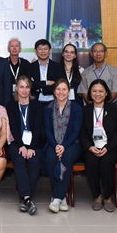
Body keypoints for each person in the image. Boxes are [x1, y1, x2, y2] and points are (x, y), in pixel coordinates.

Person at [79, 79, 117, 212]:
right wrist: (90, 147)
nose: (97, 94)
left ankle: (107, 196)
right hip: (92, 146)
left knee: (106, 162)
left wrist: (107, 148)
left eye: (101, 91)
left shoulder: (114, 109)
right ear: (90, 93)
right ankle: (97, 195)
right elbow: (82, 133)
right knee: (91, 163)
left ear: (106, 93)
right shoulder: (85, 110)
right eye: (94, 91)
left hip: (111, 146)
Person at [43, 78, 83, 213]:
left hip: (72, 144)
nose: (61, 92)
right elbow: (48, 131)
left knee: (66, 157)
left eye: (64, 89)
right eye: (58, 89)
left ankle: (56, 197)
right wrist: (56, 145)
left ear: (69, 91)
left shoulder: (76, 108)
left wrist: (63, 146)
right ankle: (62, 197)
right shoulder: (48, 108)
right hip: (53, 143)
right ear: (54, 92)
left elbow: (76, 132)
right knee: (51, 158)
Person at [6, 76, 44, 215]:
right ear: (16, 88)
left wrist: (32, 147)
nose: (24, 90)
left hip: (34, 142)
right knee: (19, 159)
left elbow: (38, 128)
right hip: (16, 142)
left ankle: (25, 199)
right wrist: (21, 146)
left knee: (34, 160)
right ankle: (28, 198)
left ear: (30, 88)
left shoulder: (37, 105)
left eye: (27, 87)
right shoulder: (11, 105)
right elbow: (13, 128)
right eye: (21, 87)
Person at [28, 39, 64, 103]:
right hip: (35, 102)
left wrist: (40, 89)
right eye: (40, 49)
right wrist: (46, 83)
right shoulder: (30, 67)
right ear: (35, 51)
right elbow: (29, 84)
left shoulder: (57, 67)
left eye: (45, 49)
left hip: (54, 102)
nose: (43, 51)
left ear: (50, 51)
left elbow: (59, 85)